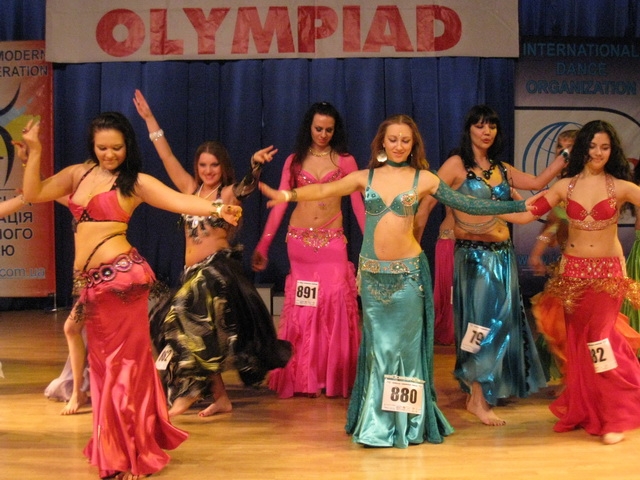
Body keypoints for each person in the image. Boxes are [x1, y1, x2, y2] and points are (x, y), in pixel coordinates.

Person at [259, 114, 530, 448]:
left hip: (408, 276)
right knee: (379, 350)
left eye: (405, 140)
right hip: (374, 278)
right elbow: (324, 189)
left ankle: (409, 423)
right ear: (382, 143)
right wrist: (288, 196)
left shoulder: (424, 178)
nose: (399, 145)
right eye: (393, 139)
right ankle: (378, 420)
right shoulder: (365, 177)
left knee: (406, 351)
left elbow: (468, 203)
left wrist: (523, 204)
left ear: (413, 144)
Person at [21, 112, 242, 479]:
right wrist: (35, 152)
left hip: (123, 282)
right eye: (102, 148)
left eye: (117, 148)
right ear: (92, 146)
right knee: (105, 370)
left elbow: (179, 201)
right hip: (92, 284)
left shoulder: (134, 182)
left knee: (123, 368)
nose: (110, 154)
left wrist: (217, 207)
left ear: (128, 147)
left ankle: (131, 452)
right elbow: (34, 193)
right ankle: (119, 446)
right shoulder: (78, 174)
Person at [133, 89, 292, 418]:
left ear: (223, 167)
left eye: (214, 165)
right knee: (192, 331)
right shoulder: (189, 189)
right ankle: (219, 397)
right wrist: (150, 120)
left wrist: (255, 167)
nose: (208, 170)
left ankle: (189, 394)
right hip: (191, 275)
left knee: (181, 312)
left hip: (216, 272)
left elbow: (247, 186)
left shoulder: (228, 193)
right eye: (203, 165)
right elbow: (166, 157)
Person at [418, 105, 568, 427]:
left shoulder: (502, 168)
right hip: (474, 257)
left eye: (492, 126)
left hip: (503, 256)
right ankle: (476, 396)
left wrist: (565, 157)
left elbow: (538, 182)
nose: (486, 132)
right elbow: (427, 201)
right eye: (480, 125)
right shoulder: (456, 165)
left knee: (501, 326)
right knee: (481, 326)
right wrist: (414, 242)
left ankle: (480, 389)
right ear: (469, 129)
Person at [510, 119, 640, 445]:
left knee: (600, 340)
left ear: (612, 151)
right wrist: (487, 209)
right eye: (593, 146)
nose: (598, 152)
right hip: (573, 278)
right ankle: (590, 408)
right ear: (583, 148)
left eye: (605, 147)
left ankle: (613, 414)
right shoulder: (564, 187)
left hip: (607, 277)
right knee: (581, 347)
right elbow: (527, 214)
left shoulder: (621, 187)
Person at [251, 102, 365, 399]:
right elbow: (280, 205)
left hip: (332, 242)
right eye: (318, 129)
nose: (323, 134)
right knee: (305, 306)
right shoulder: (295, 161)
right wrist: (264, 243)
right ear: (309, 128)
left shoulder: (346, 161)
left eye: (329, 129)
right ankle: (303, 377)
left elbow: (357, 205)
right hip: (300, 243)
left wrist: (372, 245)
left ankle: (332, 376)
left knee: (335, 302)